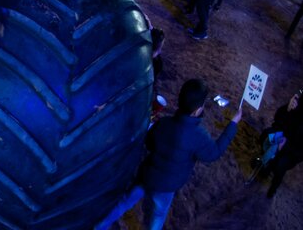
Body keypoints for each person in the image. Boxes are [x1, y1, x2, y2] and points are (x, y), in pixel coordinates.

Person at [95, 78, 241, 230]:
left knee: (125, 201)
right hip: (166, 187)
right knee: (157, 217)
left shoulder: (164, 123)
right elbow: (213, 154)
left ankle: (100, 226)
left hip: (147, 176)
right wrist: (233, 124)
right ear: (197, 110)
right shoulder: (199, 136)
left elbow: (149, 143)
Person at [262, 91, 303, 198]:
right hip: (282, 136)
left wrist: (286, 146)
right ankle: (266, 167)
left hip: (292, 151)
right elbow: (278, 118)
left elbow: (300, 154)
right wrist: (287, 109)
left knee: (280, 165)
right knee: (266, 135)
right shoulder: (299, 100)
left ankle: (273, 187)